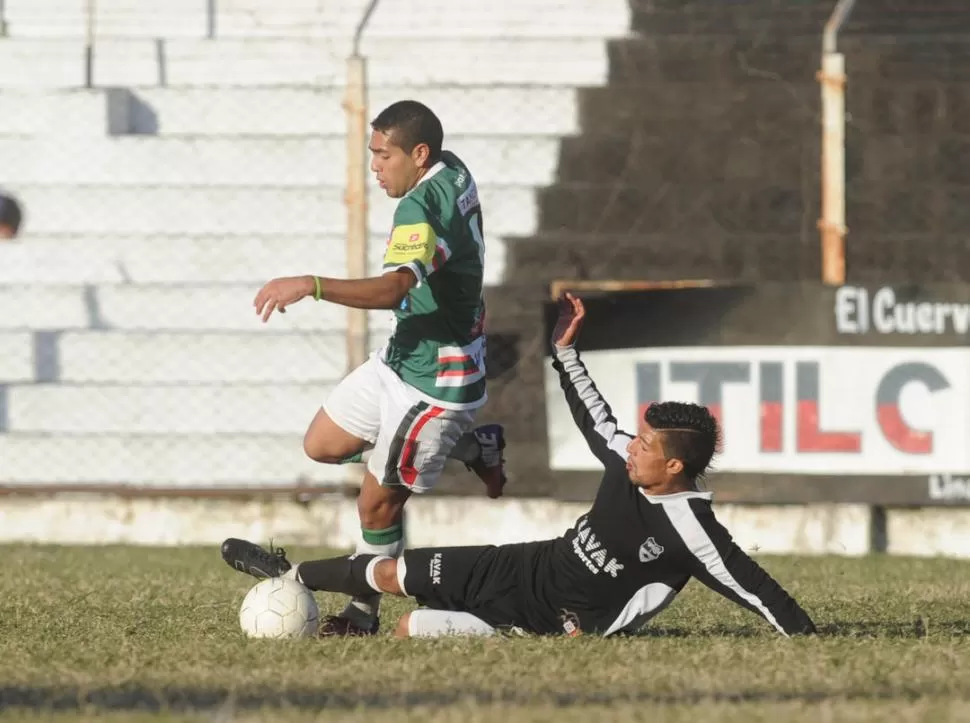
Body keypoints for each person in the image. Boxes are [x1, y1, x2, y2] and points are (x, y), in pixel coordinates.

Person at [222, 294, 818, 639]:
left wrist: (806, 637)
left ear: (675, 466)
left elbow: (753, 587)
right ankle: (291, 575)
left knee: (411, 631)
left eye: (645, 446)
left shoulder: (692, 529)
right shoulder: (629, 462)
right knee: (393, 574)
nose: (630, 447)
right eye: (635, 439)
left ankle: (385, 617)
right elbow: (593, 413)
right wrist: (563, 351)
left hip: (547, 619)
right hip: (525, 562)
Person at [244, 100, 506, 637]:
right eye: (372, 153)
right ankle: (474, 447)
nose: (374, 166)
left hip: (436, 384)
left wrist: (311, 285)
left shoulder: (420, 208)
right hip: (403, 356)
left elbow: (393, 289)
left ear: (419, 153)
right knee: (321, 445)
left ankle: (361, 617)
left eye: (382, 155)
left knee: (377, 503)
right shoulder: (453, 169)